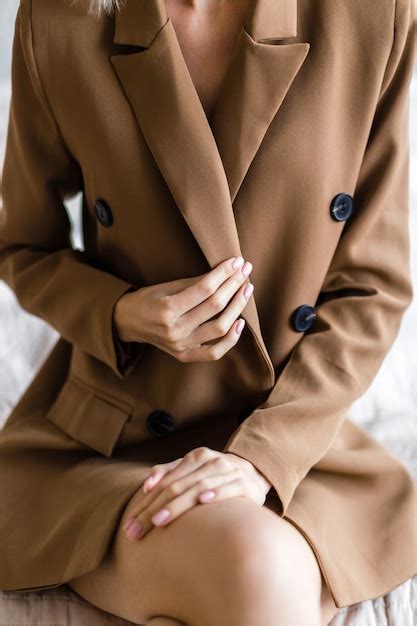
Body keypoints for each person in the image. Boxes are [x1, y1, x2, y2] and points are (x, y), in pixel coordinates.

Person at [0, 0, 416, 624]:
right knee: (255, 571)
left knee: (259, 574)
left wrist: (261, 458)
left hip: (295, 434)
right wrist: (122, 313)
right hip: (115, 442)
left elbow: (372, 285)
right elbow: (24, 248)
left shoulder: (371, 14)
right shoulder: (60, 22)